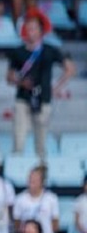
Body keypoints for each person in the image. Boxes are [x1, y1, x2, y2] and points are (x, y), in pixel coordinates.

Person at [8, 18, 77, 164]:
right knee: (19, 139)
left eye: (34, 28)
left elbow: (70, 69)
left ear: (41, 31)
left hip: (43, 98)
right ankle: (17, 169)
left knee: (41, 141)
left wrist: (56, 87)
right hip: (23, 97)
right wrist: (21, 82)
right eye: (28, 28)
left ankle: (41, 175)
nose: (31, 32)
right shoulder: (18, 51)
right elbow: (9, 77)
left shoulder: (50, 50)